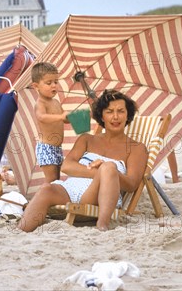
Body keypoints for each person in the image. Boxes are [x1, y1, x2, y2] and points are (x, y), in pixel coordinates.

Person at [19, 89, 148, 232]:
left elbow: (131, 184)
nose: (115, 117)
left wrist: (106, 172)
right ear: (102, 116)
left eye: (121, 111)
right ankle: (21, 231)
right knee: (46, 188)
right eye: (109, 111)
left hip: (96, 196)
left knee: (109, 166)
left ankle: (102, 225)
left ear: (128, 115)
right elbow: (67, 166)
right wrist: (98, 172)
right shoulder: (87, 139)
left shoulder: (136, 148)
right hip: (69, 189)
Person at [31, 62, 69, 183]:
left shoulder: (56, 102)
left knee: (56, 179)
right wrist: (60, 116)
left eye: (56, 82)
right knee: (51, 180)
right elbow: (41, 117)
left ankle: (52, 200)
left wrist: (73, 116)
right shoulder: (40, 103)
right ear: (36, 86)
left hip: (57, 148)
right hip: (46, 148)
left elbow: (65, 119)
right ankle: (44, 199)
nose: (54, 86)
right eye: (49, 83)